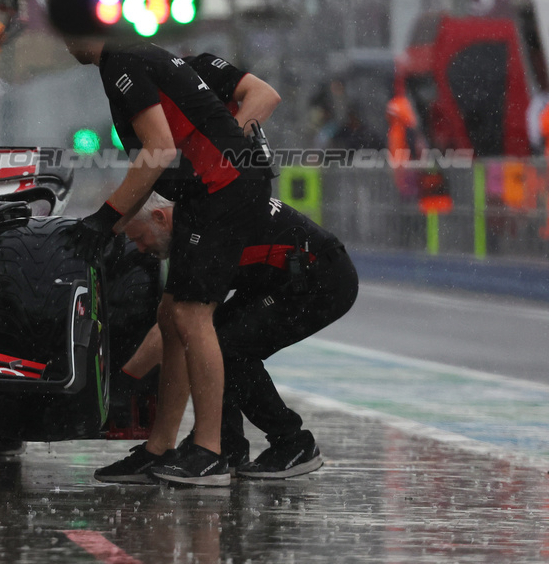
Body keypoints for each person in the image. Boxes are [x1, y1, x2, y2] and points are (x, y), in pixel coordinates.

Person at [66, 36, 271, 487]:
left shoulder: (122, 58)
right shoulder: (135, 56)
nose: (64, 42)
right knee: (171, 312)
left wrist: (104, 219)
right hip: (210, 187)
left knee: (192, 315)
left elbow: (157, 149)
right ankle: (160, 448)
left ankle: (211, 451)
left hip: (223, 186)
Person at [99, 192, 357, 481]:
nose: (141, 247)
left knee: (224, 348)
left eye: (140, 237)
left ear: (160, 217)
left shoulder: (206, 234)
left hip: (321, 278)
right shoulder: (191, 226)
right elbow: (172, 319)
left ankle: (293, 442)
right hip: (278, 277)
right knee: (210, 342)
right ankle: (227, 447)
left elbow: (173, 327)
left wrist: (123, 383)